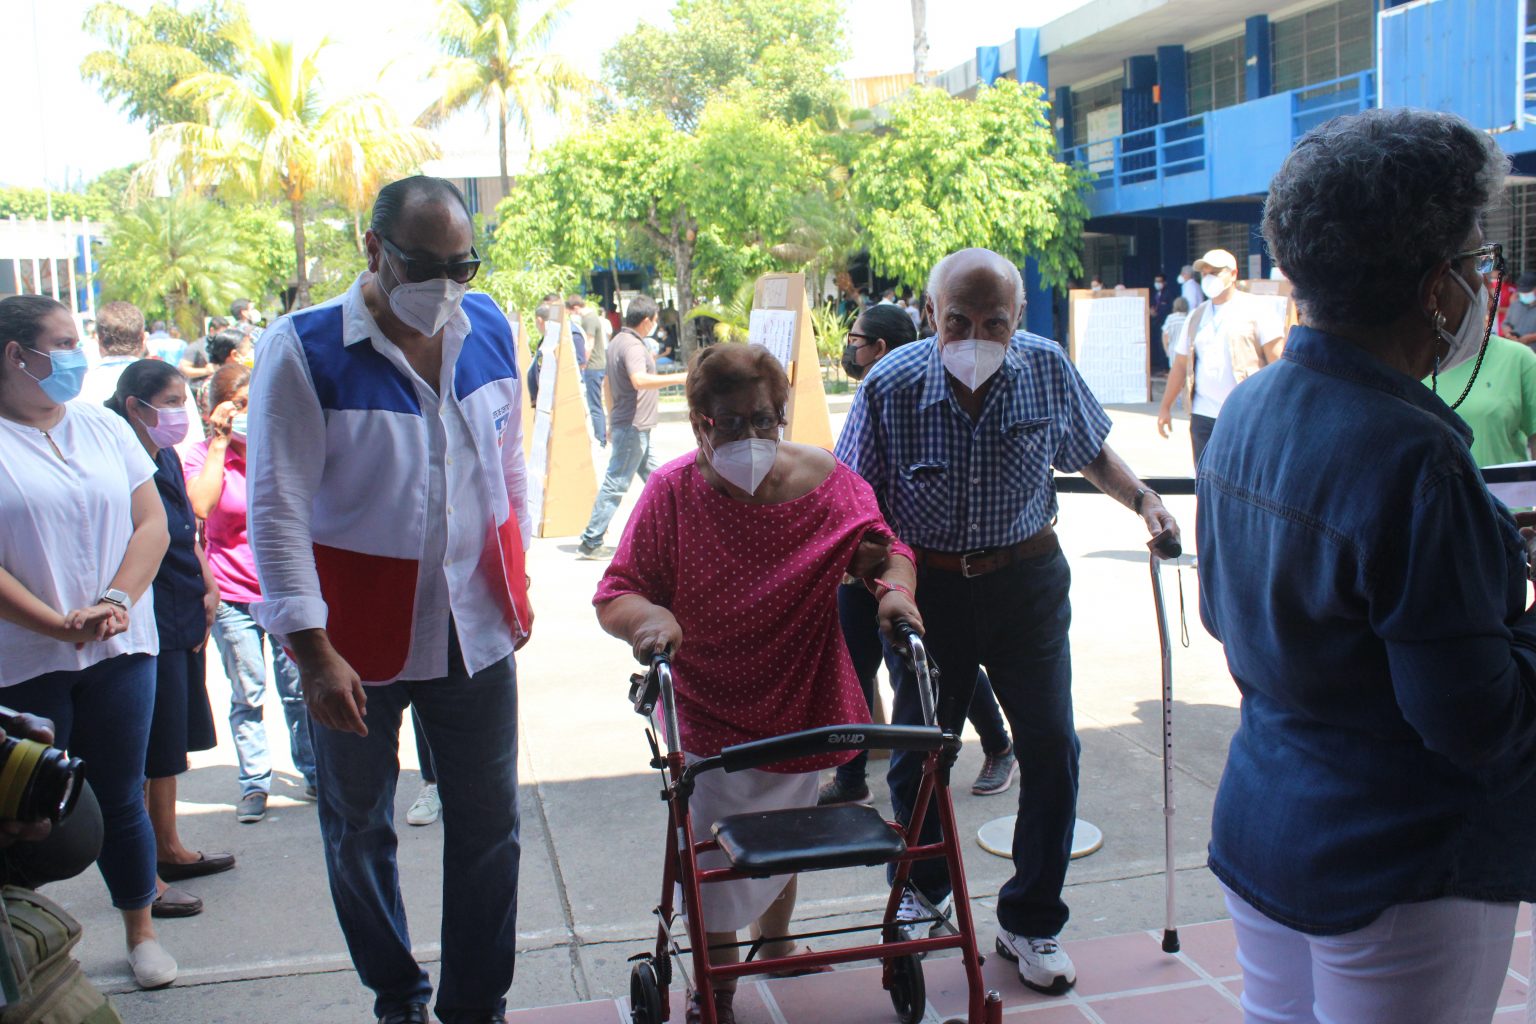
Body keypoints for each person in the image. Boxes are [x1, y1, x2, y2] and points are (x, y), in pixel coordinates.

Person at [1198, 107, 1536, 1024]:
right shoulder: (1418, 460)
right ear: (1434, 289)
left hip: (1267, 822)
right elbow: (1480, 723)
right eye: (1474, 259)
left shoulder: (1250, 408)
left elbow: (1229, 619)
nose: (1482, 283)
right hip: (1401, 864)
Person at [836, 248, 1179, 995]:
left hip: (1027, 584)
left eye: (995, 322)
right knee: (919, 757)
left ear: (1018, 317)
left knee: (1052, 748)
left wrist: (1145, 501)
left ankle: (1031, 919)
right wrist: (881, 581)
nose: (976, 338)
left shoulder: (1045, 367)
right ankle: (924, 891)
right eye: (958, 321)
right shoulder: (890, 385)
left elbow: (1090, 450)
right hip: (930, 591)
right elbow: (852, 502)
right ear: (931, 314)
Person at [247, 175, 532, 1024]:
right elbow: (276, 509)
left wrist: (515, 588)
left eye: (462, 265)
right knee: (359, 828)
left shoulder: (489, 327)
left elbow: (507, 465)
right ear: (373, 249)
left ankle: (474, 1005)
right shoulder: (303, 350)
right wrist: (311, 652)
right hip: (352, 643)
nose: (445, 285)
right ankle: (398, 997)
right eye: (424, 265)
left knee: (490, 828)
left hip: (473, 627)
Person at [594, 342, 921, 1024]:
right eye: (732, 423)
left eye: (764, 419)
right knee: (715, 857)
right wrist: (650, 619)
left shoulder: (828, 483)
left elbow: (887, 550)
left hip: (799, 691)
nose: (752, 435)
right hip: (708, 702)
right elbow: (617, 590)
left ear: (783, 414)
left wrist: (895, 592)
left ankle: (776, 940)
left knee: (784, 832)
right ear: (700, 424)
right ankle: (718, 988)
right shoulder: (672, 493)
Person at [0, 294, 178, 989]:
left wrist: (115, 601)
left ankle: (142, 931)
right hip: (24, 659)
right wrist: (53, 623)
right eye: (64, 343)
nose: (79, 355)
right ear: (16, 355)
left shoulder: (102, 428)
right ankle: (24, 943)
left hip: (119, 648)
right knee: (22, 811)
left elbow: (151, 524)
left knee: (120, 794)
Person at [824, 303, 1017, 806]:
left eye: (855, 340)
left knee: (935, 667)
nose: (848, 349)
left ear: (879, 348)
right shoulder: (874, 393)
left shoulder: (923, 394)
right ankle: (850, 776)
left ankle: (999, 746)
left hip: (908, 566)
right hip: (859, 562)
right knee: (853, 666)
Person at [105, 360, 233, 917]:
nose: (182, 413)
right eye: (172, 402)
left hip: (182, 604)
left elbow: (186, 528)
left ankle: (169, 846)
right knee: (142, 743)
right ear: (136, 406)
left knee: (170, 739)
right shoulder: (116, 456)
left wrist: (207, 581)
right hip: (144, 611)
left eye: (185, 400)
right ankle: (145, 871)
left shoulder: (164, 454)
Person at [185, 363, 317, 823]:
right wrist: (220, 443)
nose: (246, 412)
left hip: (281, 587)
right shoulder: (202, 456)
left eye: (252, 403)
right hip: (232, 592)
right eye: (237, 405)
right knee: (248, 694)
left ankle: (315, 772)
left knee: (299, 689)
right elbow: (201, 506)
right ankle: (255, 783)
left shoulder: (278, 446)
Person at [576, 296, 687, 559]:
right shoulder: (633, 346)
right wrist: (681, 378)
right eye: (655, 320)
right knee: (616, 483)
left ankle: (680, 531)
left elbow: (607, 385)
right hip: (633, 426)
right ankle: (591, 539)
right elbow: (639, 380)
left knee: (660, 480)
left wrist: (611, 418)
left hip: (631, 424)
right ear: (647, 321)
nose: (655, 324)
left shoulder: (618, 341)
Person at [1155, 249, 1286, 467]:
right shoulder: (1196, 316)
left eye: (1215, 272)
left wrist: (1282, 410)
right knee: (1205, 477)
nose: (1208, 278)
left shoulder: (1257, 310)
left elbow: (1278, 361)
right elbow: (1180, 364)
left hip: (1245, 414)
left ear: (1233, 274)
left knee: (1243, 476)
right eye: (1204, 273)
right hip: (1203, 415)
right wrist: (1165, 406)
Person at [82, 301, 205, 449]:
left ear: (98, 340)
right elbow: (192, 444)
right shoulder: (170, 382)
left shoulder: (81, 388)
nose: (178, 404)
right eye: (172, 401)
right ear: (143, 339)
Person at [579, 294, 612, 447]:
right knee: (596, 403)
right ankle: (601, 436)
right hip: (598, 365)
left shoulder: (589, 320)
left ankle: (600, 438)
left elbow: (589, 344)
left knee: (595, 405)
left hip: (593, 366)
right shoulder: (593, 318)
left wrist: (584, 363)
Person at [1500, 270, 1536, 346]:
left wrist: (1531, 338)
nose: (1525, 294)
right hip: (1516, 349)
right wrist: (1508, 334)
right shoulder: (1515, 305)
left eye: (1528, 291)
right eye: (1522, 291)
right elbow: (1506, 323)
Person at [1149, 273, 1174, 373]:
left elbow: (1168, 308)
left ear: (1164, 282)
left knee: (1164, 345)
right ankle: (1161, 367)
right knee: (1158, 345)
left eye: (1160, 281)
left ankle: (1166, 368)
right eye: (1156, 281)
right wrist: (1151, 311)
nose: (1157, 283)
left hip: (1164, 323)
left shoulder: (1169, 293)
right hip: (1156, 323)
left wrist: (1158, 313)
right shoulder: (1155, 294)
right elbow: (1152, 305)